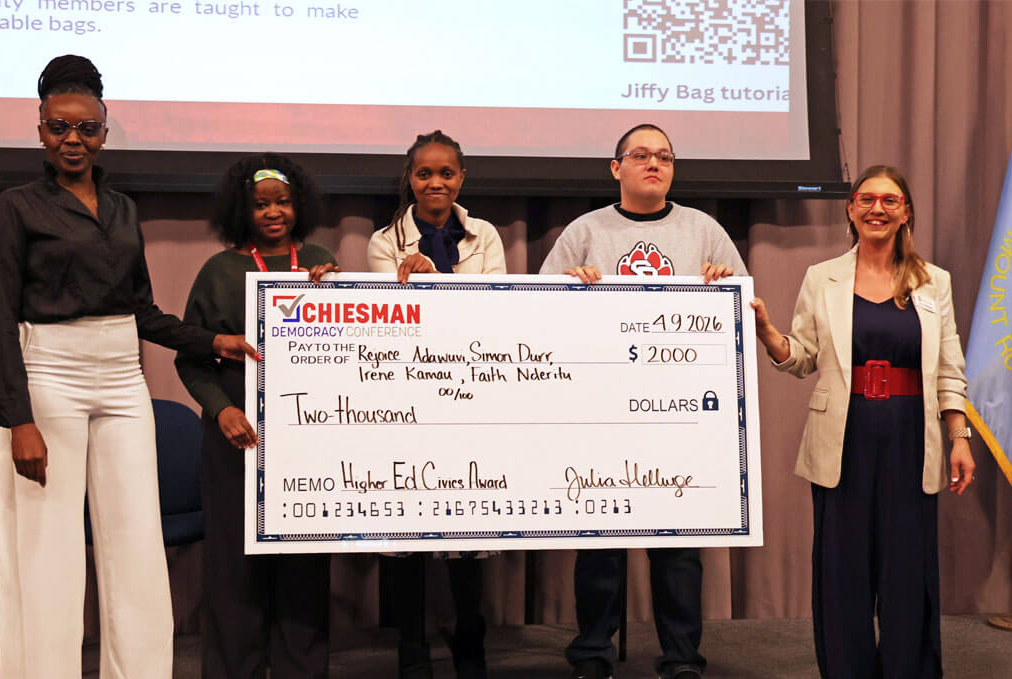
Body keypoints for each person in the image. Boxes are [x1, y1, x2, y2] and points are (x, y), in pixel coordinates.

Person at [0, 55, 256, 678]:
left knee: (136, 543)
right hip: (49, 374)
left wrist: (217, 342)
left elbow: (143, 313)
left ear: (105, 130)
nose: (72, 140)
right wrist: (16, 419)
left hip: (123, 377)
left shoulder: (124, 208)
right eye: (59, 128)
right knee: (49, 548)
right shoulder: (15, 207)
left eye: (86, 129)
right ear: (40, 129)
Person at [751, 165, 974, 678]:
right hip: (842, 439)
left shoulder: (933, 281)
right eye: (866, 199)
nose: (878, 208)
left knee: (906, 569)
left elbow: (948, 368)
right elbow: (803, 356)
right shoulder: (821, 277)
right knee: (843, 570)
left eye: (890, 201)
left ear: (906, 213)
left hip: (910, 438)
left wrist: (958, 436)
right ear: (851, 208)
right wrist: (767, 333)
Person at [540, 123, 745, 679]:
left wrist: (724, 283)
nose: (653, 164)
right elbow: (536, 313)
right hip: (600, 414)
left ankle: (682, 659)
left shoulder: (703, 231)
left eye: (664, 157)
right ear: (616, 168)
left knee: (677, 547)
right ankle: (592, 655)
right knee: (600, 542)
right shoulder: (587, 231)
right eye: (641, 155)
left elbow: (742, 311)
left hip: (676, 418)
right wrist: (569, 287)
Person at [174, 154, 338, 678]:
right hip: (235, 440)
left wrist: (332, 291)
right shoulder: (220, 270)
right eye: (261, 204)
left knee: (303, 568)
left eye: (283, 202)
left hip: (306, 441)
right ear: (240, 211)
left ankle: (301, 667)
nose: (273, 212)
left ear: (299, 206)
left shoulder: (319, 261)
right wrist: (221, 410)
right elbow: (191, 358)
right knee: (233, 570)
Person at [368, 130, 506, 679]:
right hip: (407, 400)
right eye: (424, 173)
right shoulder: (383, 242)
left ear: (461, 179)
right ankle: (412, 644)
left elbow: (495, 307)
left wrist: (439, 281)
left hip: (471, 396)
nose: (436, 183)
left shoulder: (487, 235)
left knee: (468, 531)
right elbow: (395, 321)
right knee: (407, 533)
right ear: (410, 179)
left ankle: (469, 636)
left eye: (446, 173)